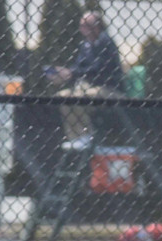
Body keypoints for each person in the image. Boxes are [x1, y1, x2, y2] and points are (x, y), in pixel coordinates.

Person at [46, 11, 124, 150]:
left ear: (97, 26)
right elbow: (79, 66)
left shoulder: (105, 42)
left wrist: (72, 73)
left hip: (109, 89)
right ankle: (75, 137)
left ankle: (86, 135)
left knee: (78, 98)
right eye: (81, 25)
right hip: (89, 87)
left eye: (86, 25)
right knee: (63, 96)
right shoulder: (85, 45)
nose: (83, 29)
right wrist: (64, 73)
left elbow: (98, 68)